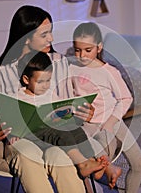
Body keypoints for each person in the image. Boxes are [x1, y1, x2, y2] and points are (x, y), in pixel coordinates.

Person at [0, 5, 95, 193]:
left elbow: (70, 104)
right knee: (27, 154)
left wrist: (83, 112)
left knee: (59, 156)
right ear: (25, 38)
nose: (52, 39)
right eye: (44, 34)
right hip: (20, 141)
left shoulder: (60, 63)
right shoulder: (1, 74)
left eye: (51, 32)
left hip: (58, 136)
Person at [69, 22, 141, 191]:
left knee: (139, 163)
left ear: (99, 47)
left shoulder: (109, 71)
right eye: (77, 49)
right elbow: (69, 97)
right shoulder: (71, 69)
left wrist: (111, 123)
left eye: (88, 50)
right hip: (87, 126)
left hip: (113, 121)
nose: (82, 55)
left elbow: (126, 98)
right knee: (99, 167)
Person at [16, 50, 109, 178]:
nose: (45, 86)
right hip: (36, 134)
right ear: (26, 79)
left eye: (48, 80)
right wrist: (12, 134)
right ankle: (82, 164)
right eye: (40, 82)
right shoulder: (19, 97)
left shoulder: (49, 93)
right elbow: (11, 119)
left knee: (77, 130)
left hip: (53, 126)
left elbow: (60, 107)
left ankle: (91, 160)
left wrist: (71, 110)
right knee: (62, 133)